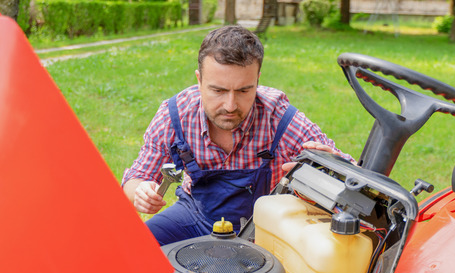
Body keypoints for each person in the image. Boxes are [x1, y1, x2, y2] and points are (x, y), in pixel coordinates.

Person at [122, 25, 353, 246]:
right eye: (218, 90)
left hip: (263, 230)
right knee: (135, 247)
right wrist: (141, 192)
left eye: (244, 90)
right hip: (194, 217)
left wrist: (331, 166)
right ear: (199, 80)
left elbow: (352, 179)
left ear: (257, 81)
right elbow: (135, 178)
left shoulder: (281, 119)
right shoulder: (175, 116)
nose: (230, 105)